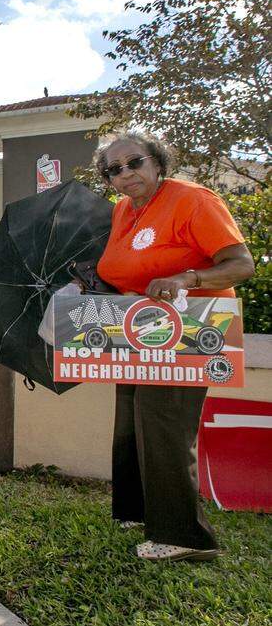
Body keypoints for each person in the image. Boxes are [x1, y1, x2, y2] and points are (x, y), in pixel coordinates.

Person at [93, 132, 255, 562]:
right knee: (131, 421)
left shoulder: (192, 200)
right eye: (114, 170)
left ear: (156, 162)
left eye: (134, 163)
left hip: (192, 331)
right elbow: (124, 270)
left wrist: (188, 278)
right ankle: (137, 510)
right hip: (141, 332)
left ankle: (184, 536)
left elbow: (242, 264)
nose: (126, 174)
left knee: (164, 424)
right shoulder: (123, 213)